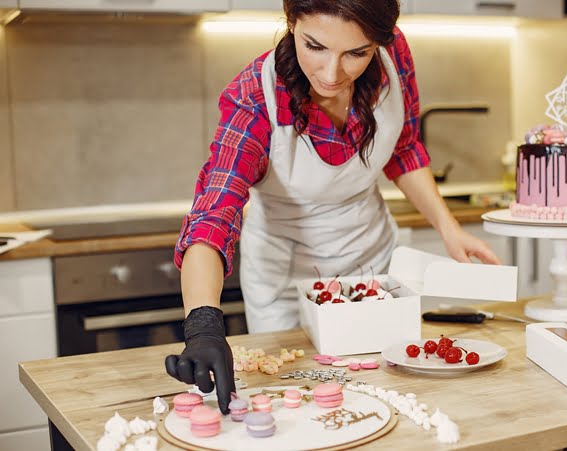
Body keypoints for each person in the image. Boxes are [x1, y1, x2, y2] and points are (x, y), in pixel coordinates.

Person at [165, 0, 502, 414]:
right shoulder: (254, 97)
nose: (331, 74)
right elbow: (215, 212)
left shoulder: (394, 55)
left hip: (371, 266)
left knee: (387, 402)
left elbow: (404, 147)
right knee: (304, 407)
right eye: (315, 46)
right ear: (292, 22)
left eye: (356, 53)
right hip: (285, 284)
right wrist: (203, 325)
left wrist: (450, 229)